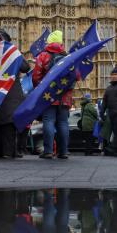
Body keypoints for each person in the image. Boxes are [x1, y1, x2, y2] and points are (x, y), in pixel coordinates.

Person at [32, 30, 77, 159]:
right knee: (63, 122)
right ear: (61, 42)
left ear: (49, 42)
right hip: (65, 97)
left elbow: (36, 76)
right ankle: (63, 152)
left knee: (49, 121)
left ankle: (48, 151)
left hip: (48, 95)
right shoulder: (68, 56)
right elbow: (77, 76)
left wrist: (40, 89)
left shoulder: (43, 56)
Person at [0, 59, 31, 159]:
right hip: (11, 93)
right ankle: (8, 152)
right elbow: (26, 67)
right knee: (9, 124)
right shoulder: (11, 52)